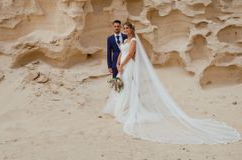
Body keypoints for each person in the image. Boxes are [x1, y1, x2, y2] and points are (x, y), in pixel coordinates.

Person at [103, 22, 241, 144]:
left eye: (127, 28)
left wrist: (123, 64)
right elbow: (122, 52)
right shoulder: (125, 40)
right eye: (124, 28)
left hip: (129, 66)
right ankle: (121, 108)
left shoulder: (133, 40)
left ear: (132, 30)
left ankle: (128, 109)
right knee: (123, 86)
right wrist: (117, 62)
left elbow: (130, 54)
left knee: (128, 86)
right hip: (122, 66)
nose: (125, 30)